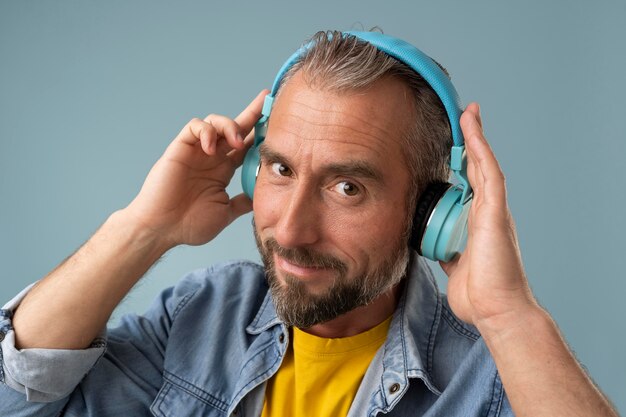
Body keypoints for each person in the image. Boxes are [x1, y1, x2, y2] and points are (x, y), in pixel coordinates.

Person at [0, 30, 618, 417]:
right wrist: (144, 228)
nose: (291, 232)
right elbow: (17, 398)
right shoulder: (202, 314)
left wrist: (511, 317)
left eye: (348, 187)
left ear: (433, 214)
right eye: (280, 169)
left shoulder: (490, 378)